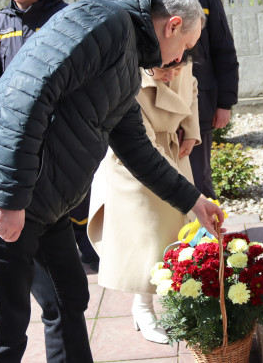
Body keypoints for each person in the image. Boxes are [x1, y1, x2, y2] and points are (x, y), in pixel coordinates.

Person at [0, 0, 224, 362]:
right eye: (185, 48)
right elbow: (27, 96)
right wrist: (10, 199)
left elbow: (136, 148)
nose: (180, 60)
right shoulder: (103, 22)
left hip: (46, 200)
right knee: (3, 329)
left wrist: (193, 201)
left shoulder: (127, 59)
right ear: (173, 26)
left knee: (67, 298)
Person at [0, 0, 98, 269]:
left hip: (61, 119)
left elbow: (83, 67)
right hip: (20, 125)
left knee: (74, 184)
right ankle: (45, 250)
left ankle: (87, 244)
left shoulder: (64, 16)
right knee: (30, 186)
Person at [88, 51, 199, 344]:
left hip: (173, 150)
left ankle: (181, 302)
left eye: (178, 68)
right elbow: (140, 147)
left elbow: (192, 88)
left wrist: (191, 131)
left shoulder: (180, 62)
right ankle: (143, 308)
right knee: (147, 239)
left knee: (179, 232)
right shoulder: (128, 78)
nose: (173, 74)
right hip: (135, 162)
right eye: (165, 69)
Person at [133, 0, 239, 199]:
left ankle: (208, 241)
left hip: (196, 103)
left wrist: (225, 102)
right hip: (148, 109)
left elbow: (223, 49)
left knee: (198, 179)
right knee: (155, 185)